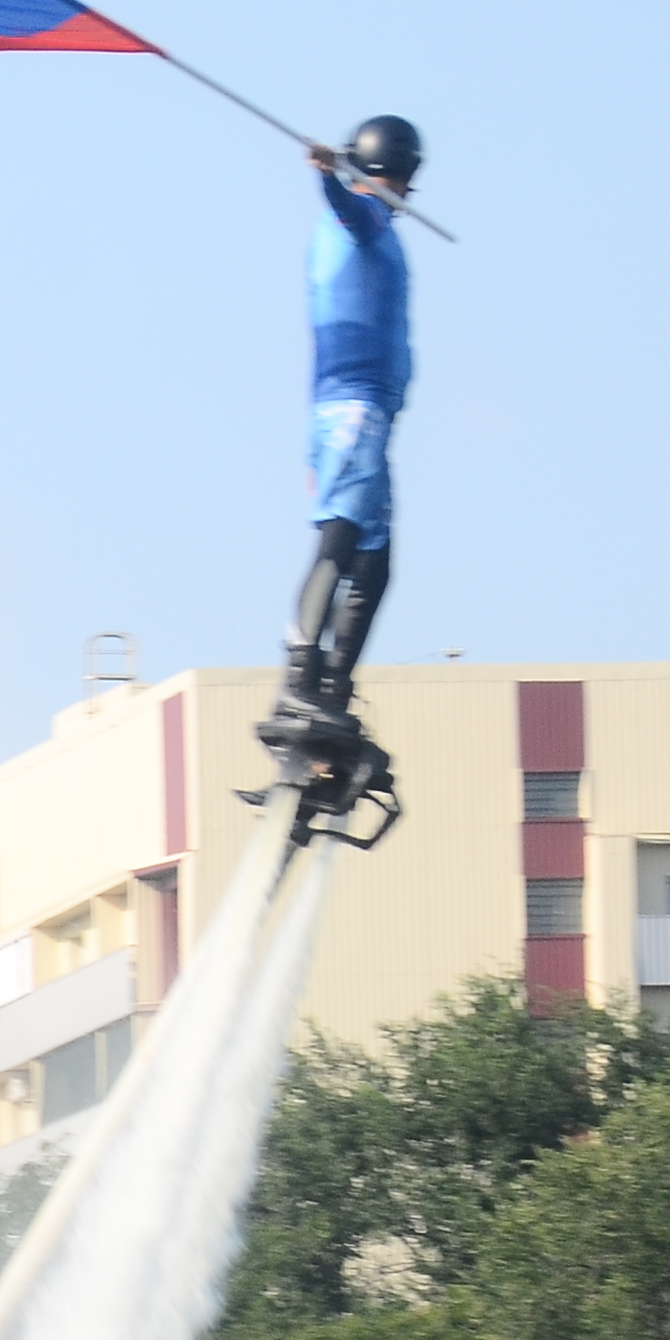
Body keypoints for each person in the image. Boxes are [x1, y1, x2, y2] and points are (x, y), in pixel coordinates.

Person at [261, 115, 422, 832]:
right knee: (338, 538)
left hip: (373, 417)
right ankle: (301, 676)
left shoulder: (380, 228)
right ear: (384, 172)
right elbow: (348, 210)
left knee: (377, 564)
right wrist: (332, 175)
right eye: (403, 179)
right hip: (349, 409)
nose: (408, 193)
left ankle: (334, 686)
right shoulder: (359, 220)